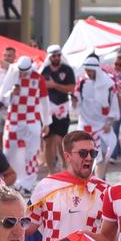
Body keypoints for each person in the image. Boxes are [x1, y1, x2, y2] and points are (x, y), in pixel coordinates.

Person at [27, 127, 104, 240]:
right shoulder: (46, 186)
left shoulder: (104, 190)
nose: (89, 157)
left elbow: (111, 235)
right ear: (68, 156)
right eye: (83, 153)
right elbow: (28, 226)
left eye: (93, 153)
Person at [0, 56, 46, 188]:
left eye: (25, 71)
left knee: (31, 153)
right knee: (10, 152)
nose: (23, 74)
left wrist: (46, 122)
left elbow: (44, 101)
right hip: (13, 121)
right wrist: (12, 93)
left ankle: (28, 184)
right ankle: (11, 182)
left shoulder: (38, 78)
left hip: (32, 121)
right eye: (21, 71)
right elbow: (2, 100)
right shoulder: (13, 76)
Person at [41, 46, 77, 175]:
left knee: (60, 140)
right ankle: (51, 171)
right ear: (49, 57)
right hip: (48, 110)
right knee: (48, 142)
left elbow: (71, 88)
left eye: (58, 55)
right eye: (53, 56)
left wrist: (55, 85)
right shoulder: (44, 71)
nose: (56, 58)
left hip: (62, 109)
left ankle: (65, 167)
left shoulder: (67, 70)